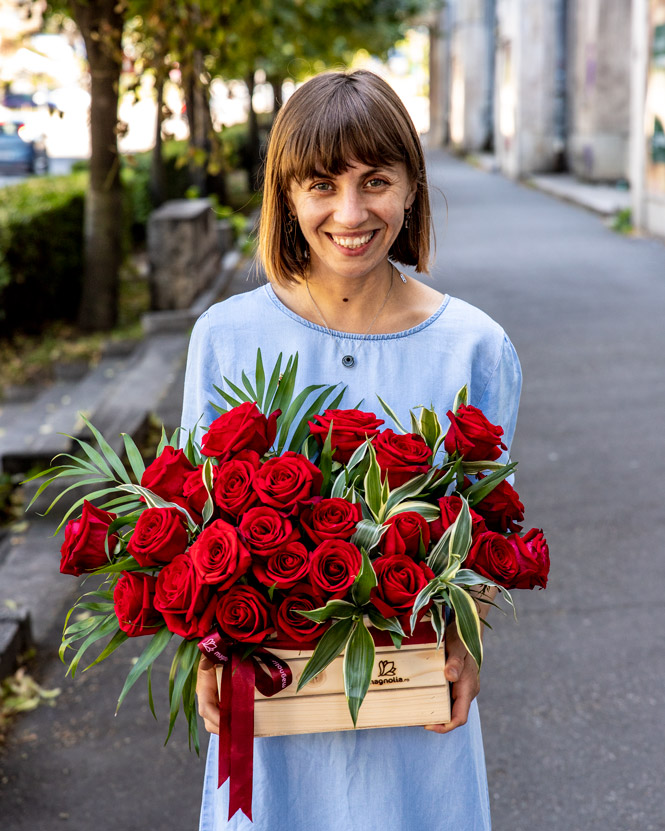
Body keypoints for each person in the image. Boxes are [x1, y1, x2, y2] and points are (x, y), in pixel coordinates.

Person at [181, 69, 521, 831]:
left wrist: (467, 639)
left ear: (411, 187)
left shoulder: (474, 345)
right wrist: (206, 653)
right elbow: (194, 528)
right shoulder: (227, 338)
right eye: (320, 185)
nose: (350, 212)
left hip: (411, 706)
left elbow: (485, 534)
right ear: (286, 195)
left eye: (375, 181)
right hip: (274, 696)